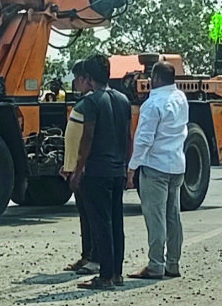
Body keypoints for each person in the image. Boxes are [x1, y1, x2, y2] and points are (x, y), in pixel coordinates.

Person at [62, 56, 135, 289]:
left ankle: (104, 276)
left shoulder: (91, 103)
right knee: (116, 222)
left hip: (97, 171)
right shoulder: (123, 100)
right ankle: (117, 273)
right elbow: (127, 137)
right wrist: (127, 166)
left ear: (90, 79)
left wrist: (78, 169)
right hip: (116, 170)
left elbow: (87, 137)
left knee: (101, 223)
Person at [128, 62, 189, 281]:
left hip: (156, 166)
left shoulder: (152, 104)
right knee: (173, 216)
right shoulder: (181, 98)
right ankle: (173, 263)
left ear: (155, 78)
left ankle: (155, 265)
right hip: (177, 164)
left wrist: (132, 167)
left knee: (155, 218)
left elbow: (144, 140)